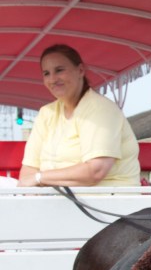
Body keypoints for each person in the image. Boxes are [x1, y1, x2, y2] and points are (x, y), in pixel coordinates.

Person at [18, 44, 140, 188]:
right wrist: (35, 181)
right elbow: (27, 171)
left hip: (106, 203)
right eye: (46, 73)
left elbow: (96, 171)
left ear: (80, 70)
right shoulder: (46, 113)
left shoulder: (100, 108)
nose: (52, 79)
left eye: (59, 70)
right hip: (58, 202)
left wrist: (40, 177)